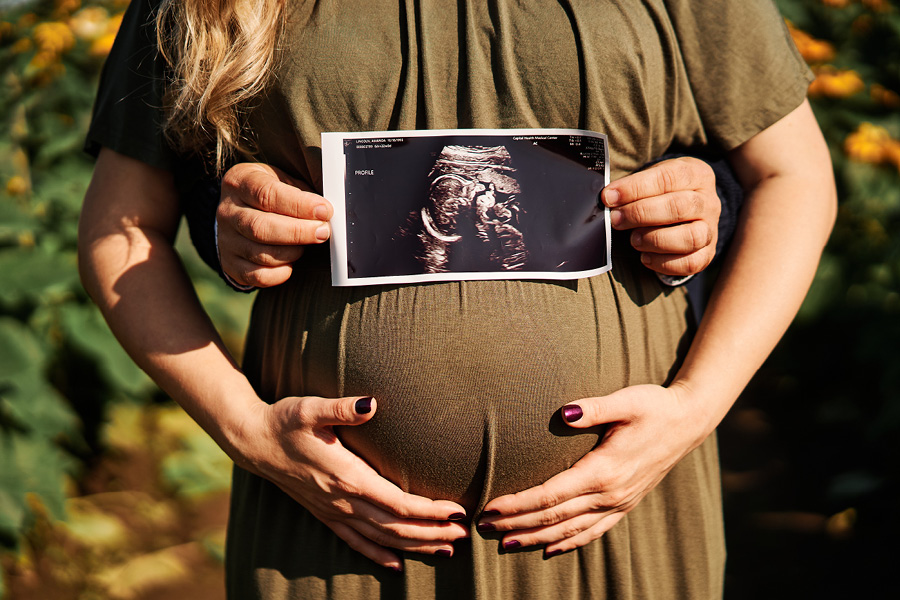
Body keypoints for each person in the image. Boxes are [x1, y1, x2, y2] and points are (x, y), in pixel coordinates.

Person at [77, 1, 836, 598]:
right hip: (334, 525)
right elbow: (123, 228)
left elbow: (792, 177)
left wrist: (695, 407)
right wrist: (247, 430)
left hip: (615, 515)